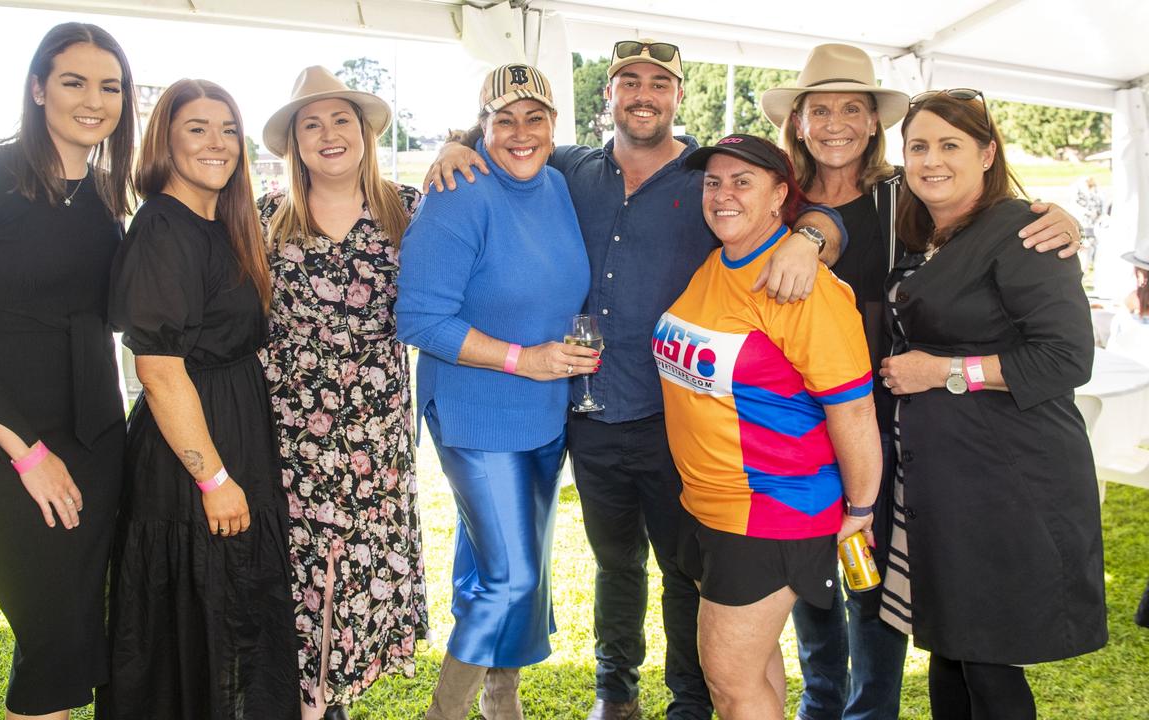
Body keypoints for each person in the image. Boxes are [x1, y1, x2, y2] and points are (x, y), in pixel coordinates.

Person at [424, 39, 849, 720]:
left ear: (679, 96)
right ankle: (614, 694)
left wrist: (814, 236)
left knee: (687, 571)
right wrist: (456, 144)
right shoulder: (568, 169)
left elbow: (800, 213)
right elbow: (507, 141)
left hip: (676, 419)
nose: (644, 94)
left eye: (659, 83)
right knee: (614, 566)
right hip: (589, 415)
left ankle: (687, 703)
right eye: (630, 81)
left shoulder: (710, 177)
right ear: (609, 96)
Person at [759, 44, 1085, 720]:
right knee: (818, 586)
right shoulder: (772, 197)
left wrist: (1058, 217)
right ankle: (821, 706)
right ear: (797, 120)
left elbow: (986, 223)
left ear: (874, 123)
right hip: (793, 431)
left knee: (877, 594)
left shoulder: (899, 194)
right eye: (821, 108)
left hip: (887, 427)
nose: (837, 123)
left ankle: (869, 712)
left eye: (854, 108)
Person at [0, 22, 135, 720]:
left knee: (81, 632)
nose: (94, 99)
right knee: (52, 633)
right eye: (74, 81)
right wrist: (28, 453)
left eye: (110, 85)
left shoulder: (107, 198)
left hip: (96, 441)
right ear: (39, 88)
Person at [878, 89, 1106, 720]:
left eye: (949, 145)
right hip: (947, 473)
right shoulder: (928, 230)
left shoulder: (1023, 232)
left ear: (987, 153)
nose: (931, 160)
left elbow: (1065, 359)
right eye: (918, 146)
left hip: (1009, 476)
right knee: (952, 646)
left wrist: (942, 372)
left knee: (988, 658)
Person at [657, 133, 881, 720]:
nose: (723, 194)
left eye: (742, 182)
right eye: (713, 182)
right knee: (753, 672)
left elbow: (854, 409)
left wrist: (860, 509)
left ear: (781, 194)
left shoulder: (803, 290)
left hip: (771, 510)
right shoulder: (721, 262)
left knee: (729, 681)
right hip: (715, 505)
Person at [397, 63, 595, 720]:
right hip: (478, 413)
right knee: (510, 576)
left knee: (503, 563)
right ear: (480, 126)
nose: (519, 132)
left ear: (553, 125)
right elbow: (420, 318)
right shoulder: (459, 191)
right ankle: (444, 713)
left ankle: (501, 697)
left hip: (544, 411)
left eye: (533, 117)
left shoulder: (559, 183)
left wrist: (547, 366)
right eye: (502, 119)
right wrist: (524, 358)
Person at [99, 78, 298, 720]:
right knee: (198, 621)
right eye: (197, 128)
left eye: (228, 129)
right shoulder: (163, 227)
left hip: (235, 431)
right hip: (193, 459)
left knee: (235, 612)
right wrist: (213, 477)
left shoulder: (217, 223)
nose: (217, 143)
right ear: (165, 140)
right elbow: (158, 372)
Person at [257, 65, 428, 720]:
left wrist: (458, 148)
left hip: (373, 446)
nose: (328, 134)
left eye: (340, 120)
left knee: (351, 588)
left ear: (363, 132)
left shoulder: (407, 209)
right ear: (295, 142)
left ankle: (326, 706)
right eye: (311, 123)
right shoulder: (264, 218)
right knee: (302, 592)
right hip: (289, 439)